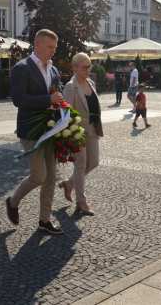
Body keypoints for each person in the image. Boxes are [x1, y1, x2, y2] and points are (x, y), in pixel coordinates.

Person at [5, 28, 64, 235]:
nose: (53, 51)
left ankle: (44, 220)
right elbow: (18, 100)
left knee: (51, 178)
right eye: (49, 47)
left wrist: (61, 104)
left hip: (51, 129)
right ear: (37, 45)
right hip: (31, 130)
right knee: (39, 176)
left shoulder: (53, 69)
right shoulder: (22, 68)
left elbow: (59, 91)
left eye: (54, 48)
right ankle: (13, 201)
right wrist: (48, 100)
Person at [59, 53, 103, 216]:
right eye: (85, 66)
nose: (88, 69)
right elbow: (65, 112)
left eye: (89, 65)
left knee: (94, 162)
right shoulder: (71, 86)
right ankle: (81, 202)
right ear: (75, 67)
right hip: (77, 132)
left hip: (93, 129)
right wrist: (70, 135)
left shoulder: (91, 82)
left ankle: (69, 184)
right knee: (81, 164)